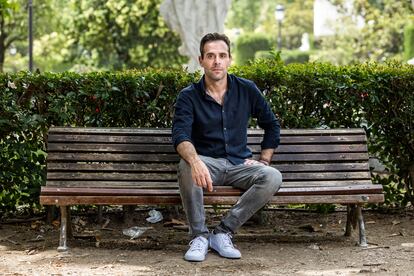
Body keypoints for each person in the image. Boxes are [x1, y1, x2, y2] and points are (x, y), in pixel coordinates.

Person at [172, 32, 283, 262]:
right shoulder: (188, 96)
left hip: (239, 164)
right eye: (210, 56)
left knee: (272, 177)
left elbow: (271, 125)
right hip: (206, 164)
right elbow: (180, 135)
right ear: (200, 60)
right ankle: (199, 237)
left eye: (222, 55)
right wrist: (195, 161)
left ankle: (223, 232)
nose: (217, 61)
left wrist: (264, 160)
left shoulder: (247, 89)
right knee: (186, 166)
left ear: (230, 59)